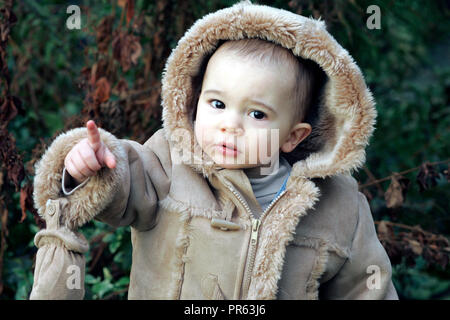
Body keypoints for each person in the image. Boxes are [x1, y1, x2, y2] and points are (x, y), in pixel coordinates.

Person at [30, 1, 398, 299]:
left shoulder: (338, 206)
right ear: (194, 100)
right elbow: (121, 185)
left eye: (256, 113)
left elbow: (367, 289)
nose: (229, 125)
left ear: (293, 137)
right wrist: (85, 169)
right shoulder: (168, 163)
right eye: (217, 104)